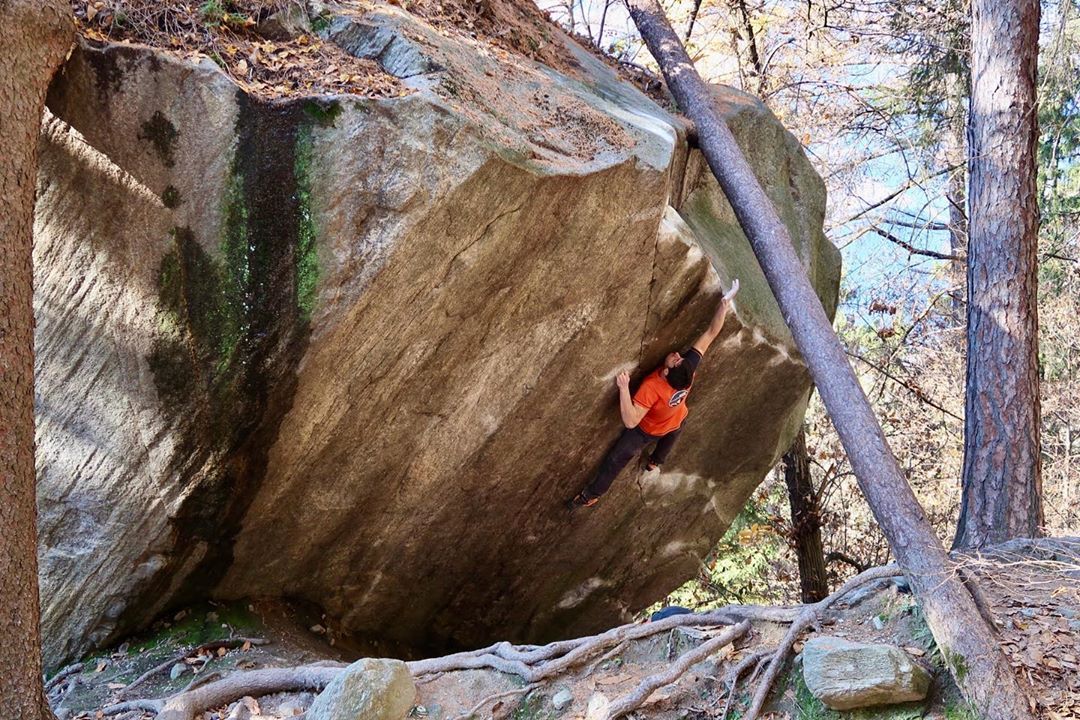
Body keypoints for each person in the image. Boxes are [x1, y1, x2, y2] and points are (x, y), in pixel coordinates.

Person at [569, 280, 740, 509]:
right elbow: (710, 333)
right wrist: (724, 303)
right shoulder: (687, 372)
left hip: (646, 430)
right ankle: (654, 462)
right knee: (672, 434)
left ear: (666, 372)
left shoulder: (653, 387)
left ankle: (591, 494)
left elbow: (631, 421)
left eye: (676, 360)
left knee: (616, 459)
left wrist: (623, 388)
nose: (677, 355)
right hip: (676, 418)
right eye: (680, 358)